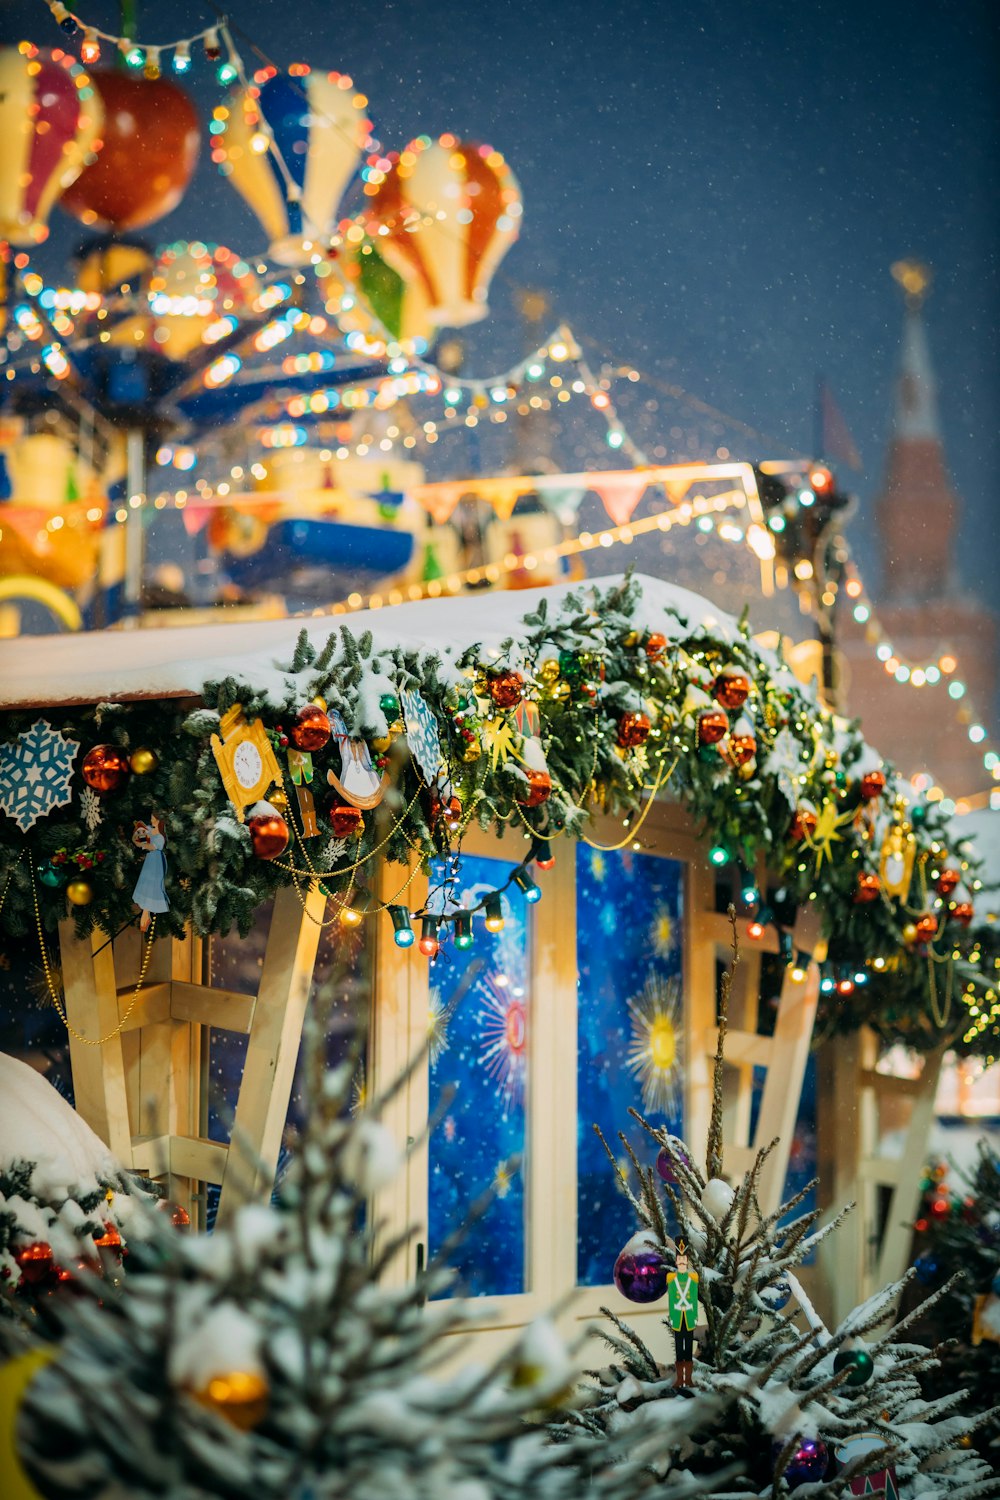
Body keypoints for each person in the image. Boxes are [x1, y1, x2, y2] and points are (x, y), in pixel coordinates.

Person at [666, 1241, 699, 1389]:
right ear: (676, 1261)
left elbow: (694, 1297)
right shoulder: (672, 1279)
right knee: (679, 1350)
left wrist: (695, 1315)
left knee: (688, 1350)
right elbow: (672, 1299)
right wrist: (672, 1316)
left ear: (687, 1261)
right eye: (679, 1260)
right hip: (678, 1318)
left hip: (690, 1317)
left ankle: (689, 1379)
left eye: (684, 1260)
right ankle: (680, 1379)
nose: (681, 1262)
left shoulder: (693, 1279)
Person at [132, 814, 169, 933]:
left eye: (154, 818)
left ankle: (145, 916)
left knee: (152, 885)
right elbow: (139, 836)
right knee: (146, 883)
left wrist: (143, 843)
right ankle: (145, 916)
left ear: (159, 820)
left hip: (155, 863)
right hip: (150, 861)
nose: (151, 820)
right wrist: (138, 834)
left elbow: (151, 846)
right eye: (151, 817)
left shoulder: (160, 837)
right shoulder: (149, 829)